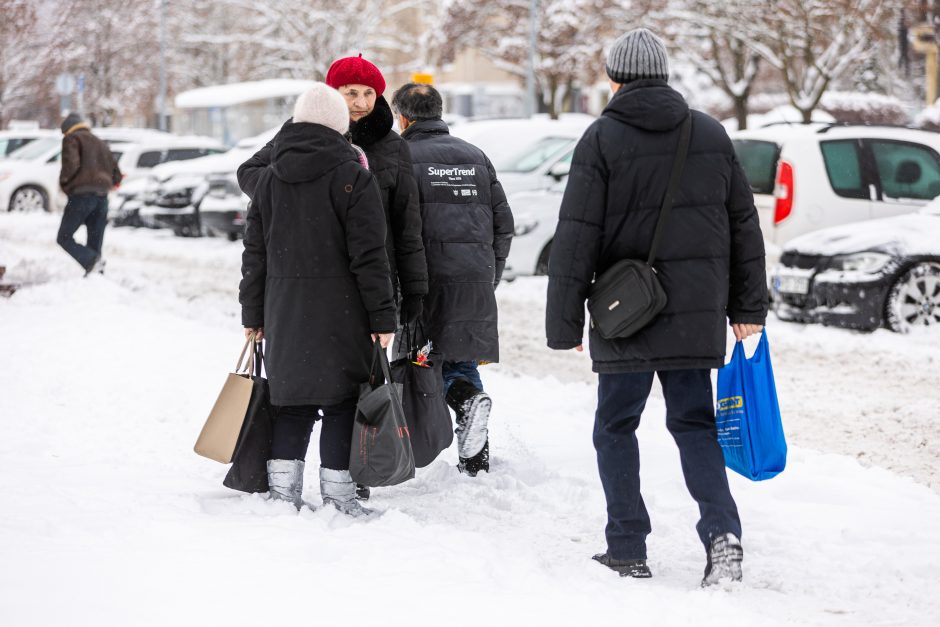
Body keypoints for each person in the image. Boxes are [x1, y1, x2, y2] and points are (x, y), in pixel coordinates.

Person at [545, 28, 768, 585]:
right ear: (663, 75)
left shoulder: (601, 138)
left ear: (615, 77)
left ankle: (627, 546)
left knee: (615, 427)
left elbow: (576, 236)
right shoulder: (710, 134)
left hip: (628, 314)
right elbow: (745, 225)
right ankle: (722, 533)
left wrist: (565, 320)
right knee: (695, 426)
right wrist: (748, 307)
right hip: (696, 312)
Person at [239, 83, 397, 517]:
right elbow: (370, 256)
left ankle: (283, 493)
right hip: (342, 310)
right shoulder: (352, 177)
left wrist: (253, 313)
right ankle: (339, 497)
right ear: (340, 125)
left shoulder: (268, 178)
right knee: (343, 401)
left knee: (291, 401)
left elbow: (255, 254)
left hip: (283, 307)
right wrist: (383, 317)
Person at [237, 55, 427, 326]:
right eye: (351, 93)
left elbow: (407, 223)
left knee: (362, 366)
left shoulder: (393, 146)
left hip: (371, 280)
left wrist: (414, 288)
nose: (361, 103)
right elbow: (248, 171)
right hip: (305, 272)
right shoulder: (299, 134)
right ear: (333, 94)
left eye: (369, 93)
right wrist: (297, 193)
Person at [391, 82, 514, 476]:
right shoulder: (475, 156)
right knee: (460, 358)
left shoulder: (401, 156)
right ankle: (475, 460)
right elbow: (503, 224)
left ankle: (452, 414)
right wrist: (488, 272)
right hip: (474, 276)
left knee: (420, 362)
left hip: (423, 281)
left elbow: (390, 228)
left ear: (403, 117)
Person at [56, 112, 122, 276]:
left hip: (81, 196)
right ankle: (95, 275)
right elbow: (117, 175)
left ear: (68, 130)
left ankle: (91, 262)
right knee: (95, 240)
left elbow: (70, 167)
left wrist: (65, 185)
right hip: (102, 198)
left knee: (64, 237)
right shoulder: (100, 142)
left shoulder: (72, 139)